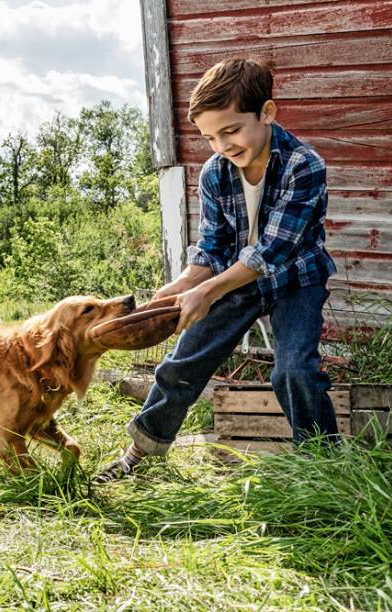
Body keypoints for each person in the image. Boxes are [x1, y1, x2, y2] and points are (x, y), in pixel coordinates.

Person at [95, 58, 338, 483]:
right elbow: (211, 248)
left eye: (231, 130)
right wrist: (178, 290)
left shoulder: (304, 165)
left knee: (294, 370)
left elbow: (272, 252)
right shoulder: (214, 173)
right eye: (210, 137)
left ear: (267, 112)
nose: (223, 145)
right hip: (237, 280)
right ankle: (142, 454)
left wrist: (206, 293)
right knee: (181, 364)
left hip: (297, 279)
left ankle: (323, 466)